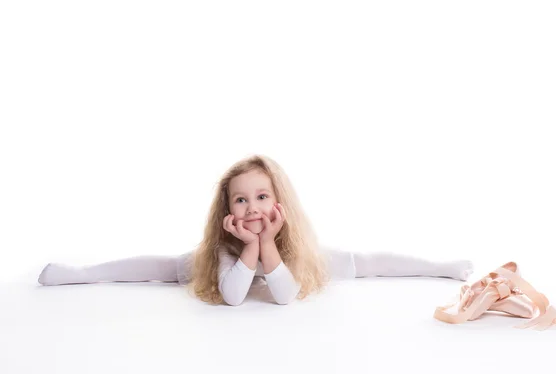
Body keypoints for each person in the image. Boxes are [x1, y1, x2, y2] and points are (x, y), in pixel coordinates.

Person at [37, 154, 473, 306]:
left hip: (289, 254)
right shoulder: (226, 247)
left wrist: (269, 245)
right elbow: (233, 295)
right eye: (241, 199)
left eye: (262, 197)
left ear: (278, 200)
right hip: (230, 257)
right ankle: (80, 273)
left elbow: (284, 295)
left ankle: (441, 266)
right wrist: (250, 247)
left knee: (368, 262)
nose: (251, 208)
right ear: (227, 210)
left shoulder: (300, 247)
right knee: (160, 267)